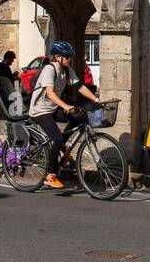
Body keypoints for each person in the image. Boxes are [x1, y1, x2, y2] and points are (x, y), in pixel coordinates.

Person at [27, 40, 98, 189]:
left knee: (79, 118)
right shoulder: (49, 69)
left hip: (53, 108)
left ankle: (61, 147)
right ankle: (51, 175)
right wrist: (65, 106)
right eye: (66, 57)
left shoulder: (66, 69)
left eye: (69, 56)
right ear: (57, 57)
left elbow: (79, 86)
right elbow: (50, 93)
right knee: (57, 138)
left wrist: (97, 99)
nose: (69, 59)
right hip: (40, 110)